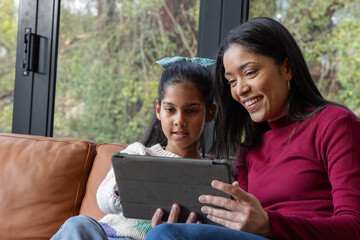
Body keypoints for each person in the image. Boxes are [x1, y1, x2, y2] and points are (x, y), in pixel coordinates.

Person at [144, 17, 360, 240]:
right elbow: (237, 223)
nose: (240, 90)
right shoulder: (251, 146)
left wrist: (269, 224)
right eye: (232, 81)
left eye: (250, 73)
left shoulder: (336, 124)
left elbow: (354, 227)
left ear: (286, 68)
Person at [50, 57, 217, 240]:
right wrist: (132, 188)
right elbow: (104, 199)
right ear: (158, 110)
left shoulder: (211, 178)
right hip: (104, 236)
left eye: (191, 111)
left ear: (210, 113)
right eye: (170, 110)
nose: (179, 120)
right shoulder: (137, 153)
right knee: (78, 224)